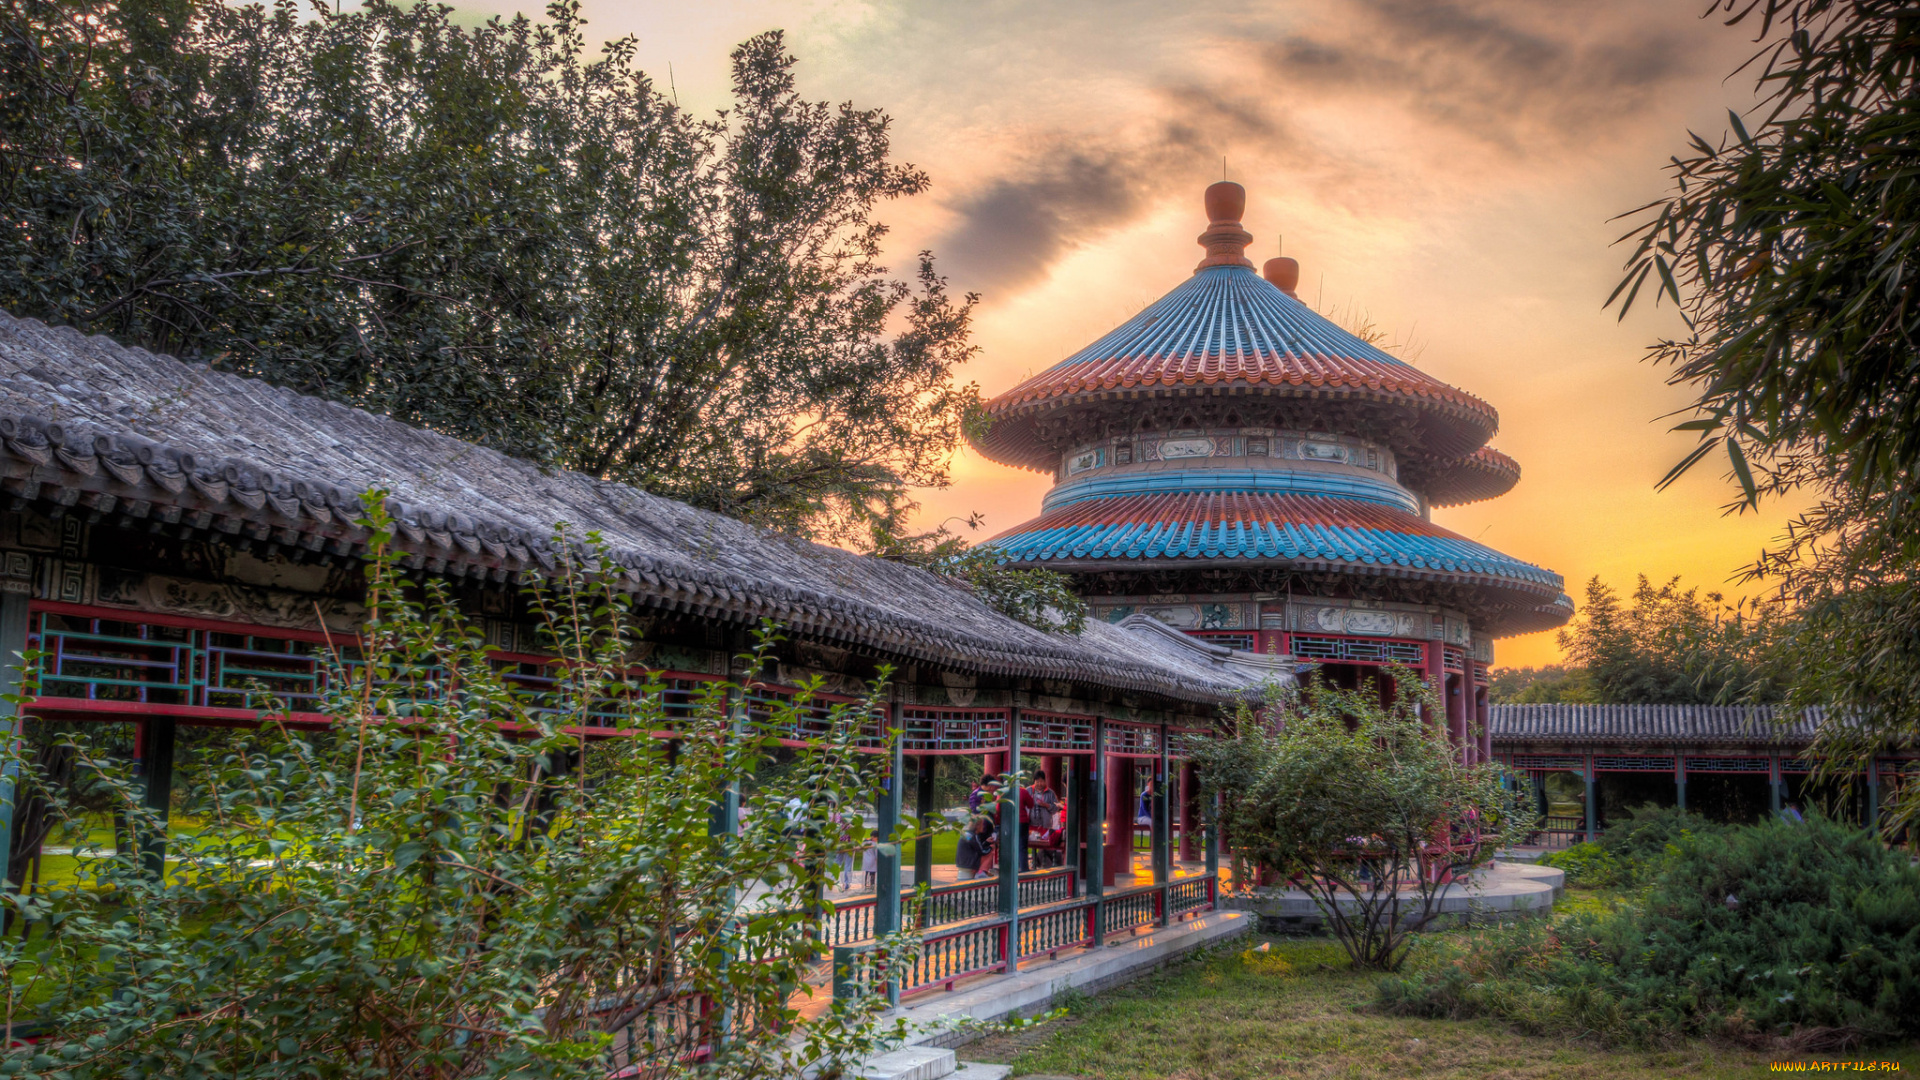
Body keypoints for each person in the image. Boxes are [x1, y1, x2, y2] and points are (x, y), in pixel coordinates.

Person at [956, 816, 991, 881]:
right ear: (977, 826)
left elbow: (976, 847)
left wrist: (986, 842)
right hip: (969, 864)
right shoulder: (973, 836)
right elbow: (982, 851)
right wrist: (991, 847)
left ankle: (981, 871)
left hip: (961, 863)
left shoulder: (967, 834)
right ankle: (981, 872)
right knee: (991, 852)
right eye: (982, 824)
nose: (983, 827)